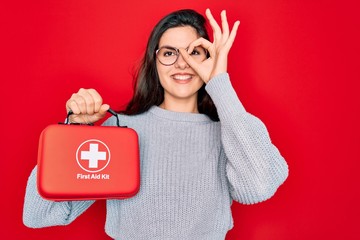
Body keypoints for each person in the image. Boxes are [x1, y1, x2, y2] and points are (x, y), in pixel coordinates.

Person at [23, 8, 288, 240]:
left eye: (194, 52)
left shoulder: (228, 134)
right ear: (155, 61)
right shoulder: (121, 133)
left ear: (208, 57)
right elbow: (40, 214)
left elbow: (260, 186)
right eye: (170, 53)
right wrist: (75, 136)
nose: (182, 63)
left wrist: (219, 82)